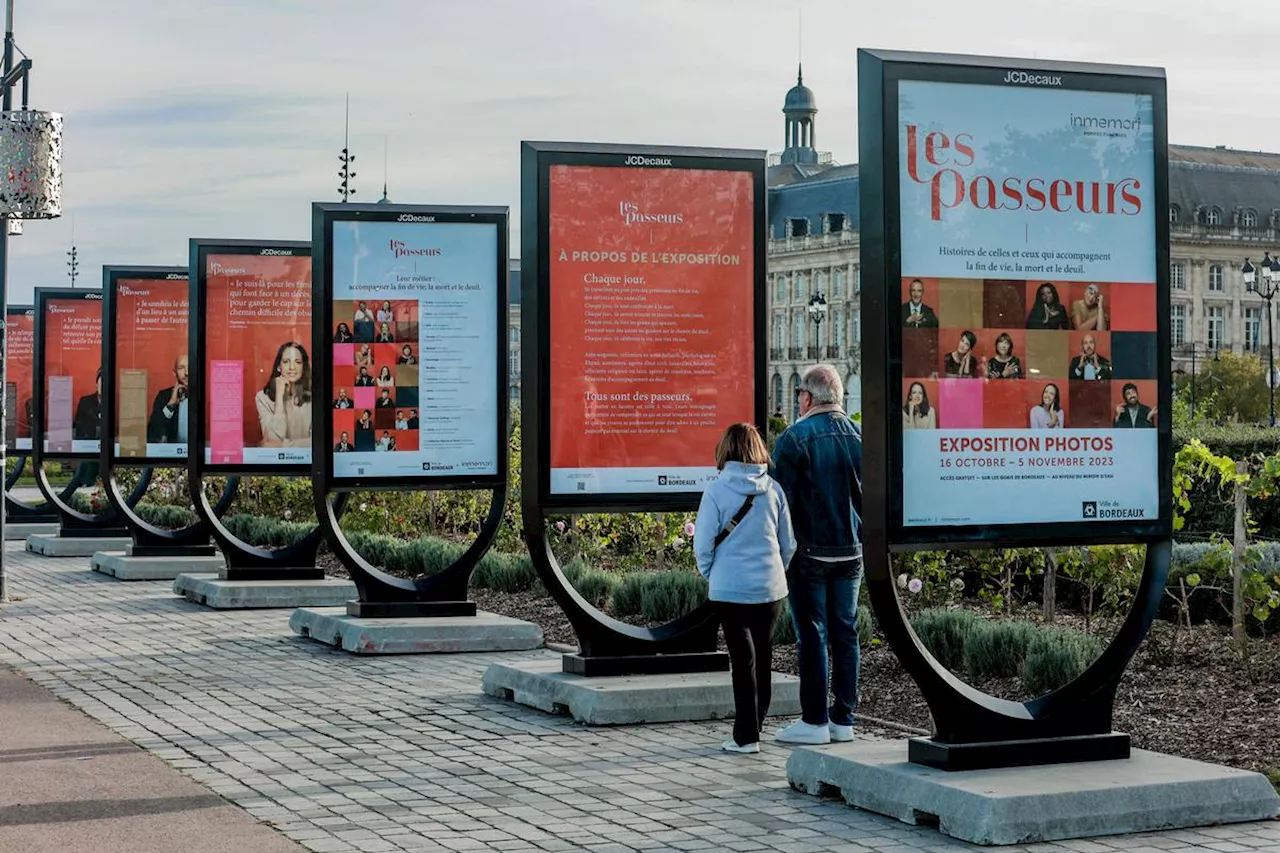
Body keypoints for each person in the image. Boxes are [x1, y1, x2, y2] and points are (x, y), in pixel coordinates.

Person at [772, 365, 863, 746]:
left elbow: (780, 503)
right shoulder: (861, 437)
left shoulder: (794, 439)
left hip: (808, 553)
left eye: (798, 395)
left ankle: (814, 721)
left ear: (807, 398)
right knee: (846, 635)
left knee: (812, 636)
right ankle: (844, 720)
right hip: (851, 552)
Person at [693, 423, 795, 754]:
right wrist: (777, 572)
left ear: (726, 450)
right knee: (764, 657)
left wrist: (714, 574)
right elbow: (788, 543)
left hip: (730, 589)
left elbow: (703, 544)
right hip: (769, 588)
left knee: (742, 660)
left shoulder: (716, 490)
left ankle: (746, 736)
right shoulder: (774, 490)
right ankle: (757, 726)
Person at [254, 341, 311, 447]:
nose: (292, 367)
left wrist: (283, 446)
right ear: (279, 367)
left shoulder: (312, 397)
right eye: (286, 362)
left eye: (297, 362)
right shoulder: (262, 398)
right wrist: (279, 397)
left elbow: (317, 442)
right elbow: (273, 439)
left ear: (303, 368)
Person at [146, 354, 189, 444]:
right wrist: (170, 406)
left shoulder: (208, 396)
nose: (186, 373)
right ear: (174, 373)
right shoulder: (163, 396)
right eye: (181, 368)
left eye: (190, 367)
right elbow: (153, 434)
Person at [72, 368, 103, 441]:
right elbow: (79, 426)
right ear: (96, 385)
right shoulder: (85, 402)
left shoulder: (114, 402)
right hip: (88, 443)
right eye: (101, 382)